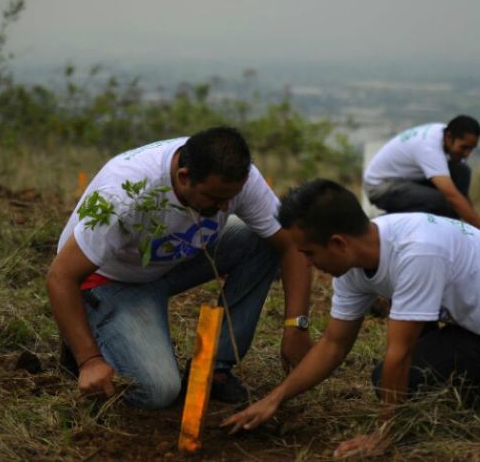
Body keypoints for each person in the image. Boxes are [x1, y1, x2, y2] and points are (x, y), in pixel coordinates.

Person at [222, 179, 480, 457]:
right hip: (473, 313)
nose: (307, 264)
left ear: (338, 242)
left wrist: (385, 434)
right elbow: (333, 345)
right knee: (403, 375)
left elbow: (400, 355)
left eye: (309, 253)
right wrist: (273, 400)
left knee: (394, 378)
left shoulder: (417, 252)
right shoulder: (355, 258)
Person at [47, 126, 313, 408]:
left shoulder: (236, 180)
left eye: (230, 198)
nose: (225, 207)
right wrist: (89, 360)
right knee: (158, 391)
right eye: (214, 199)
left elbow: (290, 244)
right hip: (111, 280)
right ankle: (90, 334)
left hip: (171, 260)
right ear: (184, 177)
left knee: (261, 240)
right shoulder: (126, 195)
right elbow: (60, 276)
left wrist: (296, 326)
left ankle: (215, 368)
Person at [363, 116, 480, 244]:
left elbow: (461, 194)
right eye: (464, 147)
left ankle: (452, 232)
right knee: (441, 201)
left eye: (471, 149)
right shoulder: (428, 147)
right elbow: (452, 195)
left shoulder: (444, 133)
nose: (467, 154)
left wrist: (474, 224)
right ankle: (385, 225)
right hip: (380, 187)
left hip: (406, 180)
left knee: (462, 171)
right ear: (449, 137)